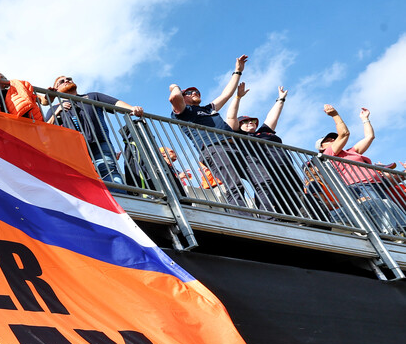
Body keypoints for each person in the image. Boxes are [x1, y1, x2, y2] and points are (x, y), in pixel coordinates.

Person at [168, 54, 277, 213]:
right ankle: (244, 219)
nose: (195, 92)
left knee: (264, 181)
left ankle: (268, 218)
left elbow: (226, 94)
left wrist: (237, 71)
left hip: (237, 147)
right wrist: (174, 86)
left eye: (197, 91)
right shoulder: (183, 111)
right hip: (214, 148)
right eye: (190, 92)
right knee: (234, 185)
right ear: (184, 96)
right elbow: (174, 97)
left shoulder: (208, 109)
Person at [317, 105, 406, 234]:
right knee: (381, 210)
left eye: (332, 138)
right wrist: (335, 115)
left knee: (389, 207)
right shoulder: (329, 153)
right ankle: (390, 234)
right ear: (321, 147)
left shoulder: (350, 151)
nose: (332, 140)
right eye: (327, 140)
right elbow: (344, 134)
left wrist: (365, 119)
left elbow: (369, 137)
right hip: (360, 186)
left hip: (376, 184)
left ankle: (400, 232)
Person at [45, 75, 143, 186]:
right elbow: (45, 129)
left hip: (99, 143)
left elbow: (115, 103)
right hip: (73, 149)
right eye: (61, 81)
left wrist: (132, 109)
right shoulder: (54, 109)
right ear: (56, 89)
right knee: (81, 177)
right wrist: (58, 111)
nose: (67, 80)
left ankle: (121, 199)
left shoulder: (92, 96)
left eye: (69, 78)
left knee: (109, 171)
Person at [225, 84, 302, 217]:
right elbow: (231, 118)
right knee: (270, 190)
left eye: (253, 121)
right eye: (246, 122)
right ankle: (269, 217)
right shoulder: (239, 136)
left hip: (285, 167)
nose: (251, 123)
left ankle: (298, 219)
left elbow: (272, 118)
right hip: (264, 168)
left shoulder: (263, 133)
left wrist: (280, 99)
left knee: (296, 193)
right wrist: (237, 97)